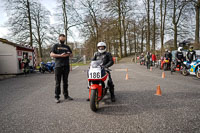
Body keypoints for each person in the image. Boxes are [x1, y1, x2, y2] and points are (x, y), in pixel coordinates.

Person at [50, 34, 73, 103]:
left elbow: (71, 55)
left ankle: (66, 95)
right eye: (61, 38)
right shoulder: (55, 46)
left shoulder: (67, 46)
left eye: (64, 38)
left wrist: (69, 54)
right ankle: (57, 97)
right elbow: (51, 54)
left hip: (66, 66)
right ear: (59, 38)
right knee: (58, 82)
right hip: (58, 66)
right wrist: (60, 55)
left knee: (65, 82)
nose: (62, 39)